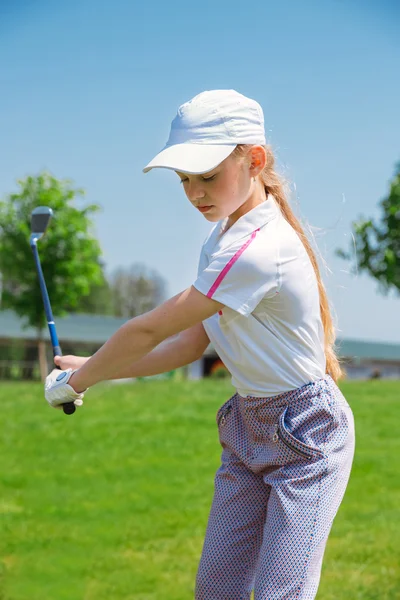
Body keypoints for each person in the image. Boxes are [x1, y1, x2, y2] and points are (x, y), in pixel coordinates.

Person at [45, 89, 356, 599]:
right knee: (216, 587)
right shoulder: (222, 239)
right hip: (248, 425)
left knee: (282, 591)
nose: (194, 193)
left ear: (254, 160)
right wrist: (97, 367)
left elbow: (152, 328)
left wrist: (78, 381)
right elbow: (192, 343)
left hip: (306, 435)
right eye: (184, 180)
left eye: (207, 176)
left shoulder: (259, 248)